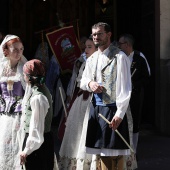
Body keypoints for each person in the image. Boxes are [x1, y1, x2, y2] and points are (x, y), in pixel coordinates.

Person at [80, 22, 132, 170]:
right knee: (101, 154)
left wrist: (119, 114)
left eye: (99, 33)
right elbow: (83, 80)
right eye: (94, 34)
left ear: (108, 35)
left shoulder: (120, 57)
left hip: (113, 109)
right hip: (97, 109)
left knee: (115, 154)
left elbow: (125, 88)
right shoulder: (92, 58)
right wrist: (90, 84)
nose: (95, 37)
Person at [58, 37, 98, 169]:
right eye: (85, 46)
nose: (85, 49)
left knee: (89, 131)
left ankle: (89, 163)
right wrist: (70, 94)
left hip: (94, 101)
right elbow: (77, 80)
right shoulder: (82, 61)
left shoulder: (101, 61)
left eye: (89, 47)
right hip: (81, 99)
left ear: (97, 48)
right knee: (77, 131)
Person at [19, 59, 54, 170]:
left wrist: (27, 150)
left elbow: (37, 129)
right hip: (37, 143)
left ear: (29, 77)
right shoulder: (37, 90)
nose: (23, 76)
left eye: (24, 74)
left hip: (38, 147)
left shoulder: (38, 97)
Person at [118, 34, 150, 153]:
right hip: (120, 95)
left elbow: (147, 77)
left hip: (135, 95)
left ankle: (133, 151)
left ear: (127, 45)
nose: (118, 46)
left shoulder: (139, 57)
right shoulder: (118, 57)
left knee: (135, 121)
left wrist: (134, 85)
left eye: (120, 43)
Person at [0, 34, 27, 169]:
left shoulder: (24, 69)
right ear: (6, 51)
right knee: (4, 144)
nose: (19, 53)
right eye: (15, 49)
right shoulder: (1, 69)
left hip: (20, 114)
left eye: (21, 49)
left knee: (18, 144)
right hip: (4, 115)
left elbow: (29, 92)